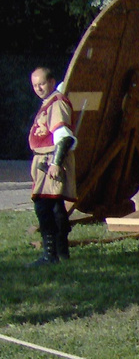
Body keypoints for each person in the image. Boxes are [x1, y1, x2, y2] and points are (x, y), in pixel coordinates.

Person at [26, 67, 75, 265]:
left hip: (51, 160)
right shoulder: (48, 103)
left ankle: (50, 255)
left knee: (45, 206)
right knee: (54, 206)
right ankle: (60, 253)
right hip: (43, 160)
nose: (38, 88)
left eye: (42, 84)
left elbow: (63, 136)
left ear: (52, 82)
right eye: (35, 85)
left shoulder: (57, 103)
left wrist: (56, 163)